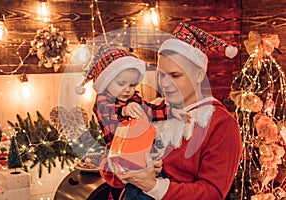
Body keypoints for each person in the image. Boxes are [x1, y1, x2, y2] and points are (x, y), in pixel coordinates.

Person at [101, 22, 242, 200]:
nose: (165, 84)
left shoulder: (221, 124)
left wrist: (153, 186)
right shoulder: (152, 109)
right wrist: (119, 167)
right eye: (161, 75)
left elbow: (212, 194)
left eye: (175, 75)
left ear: (199, 75)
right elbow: (111, 162)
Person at [79, 45, 189, 199]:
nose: (127, 90)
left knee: (155, 182)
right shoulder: (103, 99)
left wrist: (170, 112)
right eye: (121, 83)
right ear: (107, 82)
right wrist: (124, 110)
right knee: (132, 191)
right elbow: (108, 111)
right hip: (121, 157)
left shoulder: (133, 98)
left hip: (142, 153)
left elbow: (150, 109)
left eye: (132, 85)